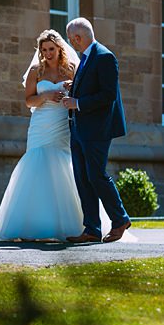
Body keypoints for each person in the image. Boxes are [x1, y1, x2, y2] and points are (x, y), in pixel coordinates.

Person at [0, 29, 88, 242]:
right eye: (44, 50)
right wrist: (45, 96)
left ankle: (75, 224)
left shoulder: (71, 69)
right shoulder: (36, 71)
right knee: (36, 164)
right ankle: (30, 225)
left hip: (62, 122)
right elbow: (28, 101)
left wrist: (73, 90)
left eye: (51, 49)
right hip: (41, 124)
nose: (47, 53)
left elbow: (82, 95)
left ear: (59, 48)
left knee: (63, 166)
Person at [61, 17, 133, 243]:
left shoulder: (104, 56)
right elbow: (93, 86)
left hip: (97, 130)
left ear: (79, 37)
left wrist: (77, 103)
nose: (72, 43)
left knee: (96, 175)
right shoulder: (86, 57)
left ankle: (120, 219)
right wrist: (75, 88)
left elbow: (108, 95)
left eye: (73, 39)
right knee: (82, 178)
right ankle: (92, 228)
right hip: (79, 128)